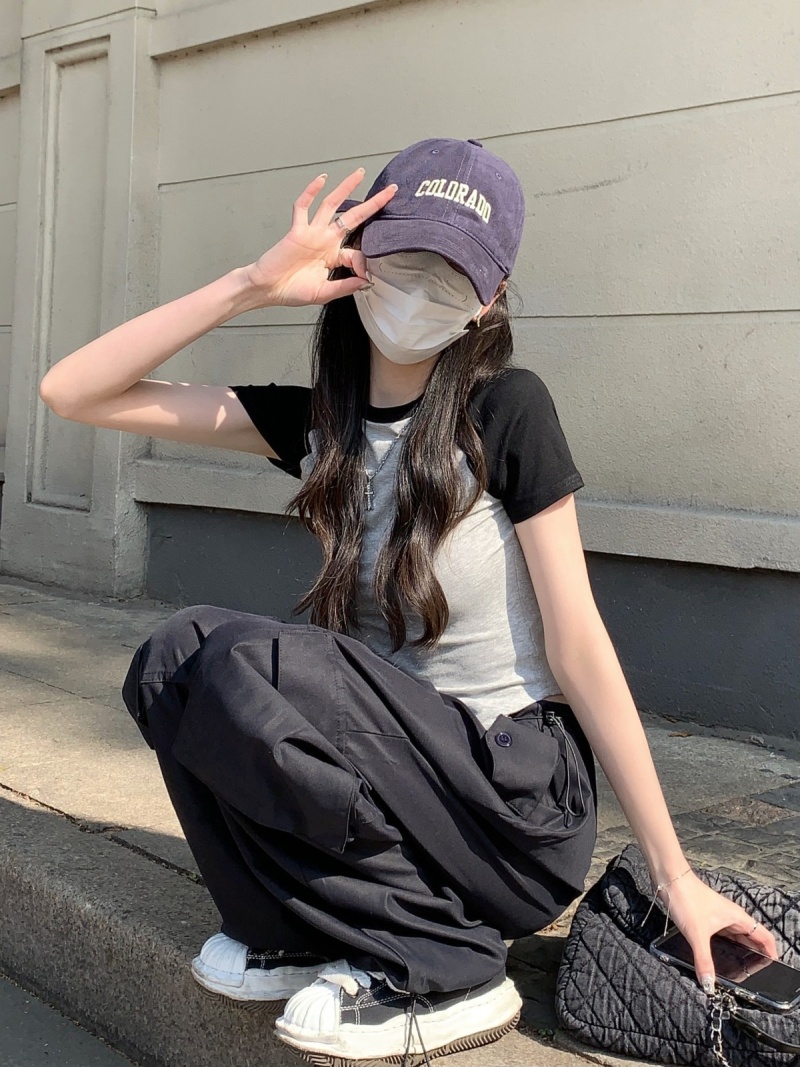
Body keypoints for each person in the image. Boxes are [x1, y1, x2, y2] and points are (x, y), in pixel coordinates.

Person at [39, 137, 778, 1064]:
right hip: (398, 780)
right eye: (404, 260)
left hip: (513, 800)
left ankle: (450, 963)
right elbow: (72, 391)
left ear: (488, 299)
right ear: (357, 259)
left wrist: (675, 873)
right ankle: (294, 928)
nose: (420, 290)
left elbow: (580, 643)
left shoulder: (506, 410)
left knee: (255, 665)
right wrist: (252, 285)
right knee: (173, 659)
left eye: (450, 274)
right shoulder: (320, 422)